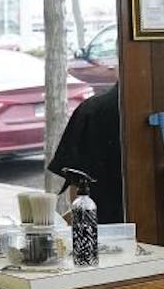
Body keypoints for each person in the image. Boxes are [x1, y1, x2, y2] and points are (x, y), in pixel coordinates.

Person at [48, 81, 124, 223]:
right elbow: (76, 180)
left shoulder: (90, 109)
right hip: (101, 227)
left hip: (96, 229)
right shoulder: (91, 110)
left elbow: (75, 183)